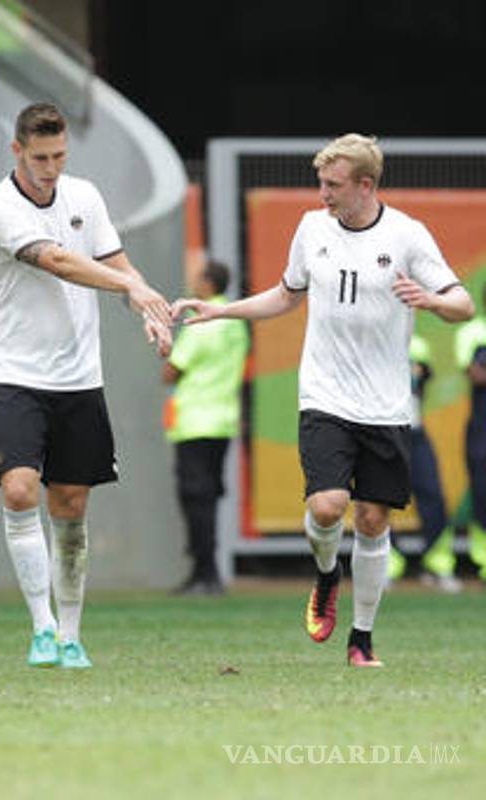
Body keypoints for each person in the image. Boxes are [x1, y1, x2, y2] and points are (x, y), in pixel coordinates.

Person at [175, 133, 473, 668]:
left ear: (366, 185)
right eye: (321, 182)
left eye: (333, 185)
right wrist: (221, 310)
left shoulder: (407, 235)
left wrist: (431, 299)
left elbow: (463, 304)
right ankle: (327, 572)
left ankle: (362, 638)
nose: (323, 194)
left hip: (385, 406)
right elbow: (286, 295)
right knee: (328, 505)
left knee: (373, 520)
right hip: (325, 396)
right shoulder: (312, 228)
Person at [0, 103, 172, 669]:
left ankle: (69, 634)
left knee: (70, 505)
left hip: (79, 379)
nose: (50, 168)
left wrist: (148, 307)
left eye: (59, 156)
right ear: (17, 151)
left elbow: (119, 265)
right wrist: (128, 289)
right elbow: (59, 261)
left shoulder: (85, 196)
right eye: (40, 158)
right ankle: (41, 628)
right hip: (14, 375)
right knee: (19, 491)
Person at [161, 260, 247, 595]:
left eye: (198, 279)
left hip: (195, 419)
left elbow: (172, 370)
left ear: (209, 284)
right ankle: (207, 571)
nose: (193, 283)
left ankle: (204, 573)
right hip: (223, 419)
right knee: (209, 495)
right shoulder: (236, 323)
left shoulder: (202, 323)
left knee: (195, 497)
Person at [388, 333, 460, 592]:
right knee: (378, 498)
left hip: (414, 431)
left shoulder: (417, 344)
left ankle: (438, 564)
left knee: (433, 496)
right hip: (381, 432)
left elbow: (421, 382)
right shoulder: (369, 339)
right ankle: (386, 565)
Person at [452, 291, 486, 580]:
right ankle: (482, 557)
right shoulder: (472, 332)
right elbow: (476, 375)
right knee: (482, 490)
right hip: (482, 427)